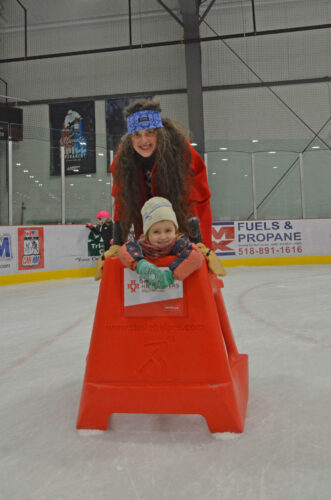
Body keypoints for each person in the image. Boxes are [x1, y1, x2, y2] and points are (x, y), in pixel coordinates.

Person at [95, 98, 225, 279]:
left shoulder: (181, 153)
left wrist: (198, 243)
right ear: (130, 137)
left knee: (193, 262)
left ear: (160, 133)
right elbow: (122, 202)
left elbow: (191, 200)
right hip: (149, 224)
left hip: (184, 218)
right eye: (137, 135)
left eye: (150, 133)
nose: (144, 141)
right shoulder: (122, 161)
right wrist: (117, 243)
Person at [119, 197, 204, 289]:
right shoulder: (142, 246)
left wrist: (171, 275)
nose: (163, 237)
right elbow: (125, 250)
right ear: (147, 234)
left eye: (168, 230)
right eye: (156, 232)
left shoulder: (180, 243)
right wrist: (140, 264)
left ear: (175, 231)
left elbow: (196, 256)